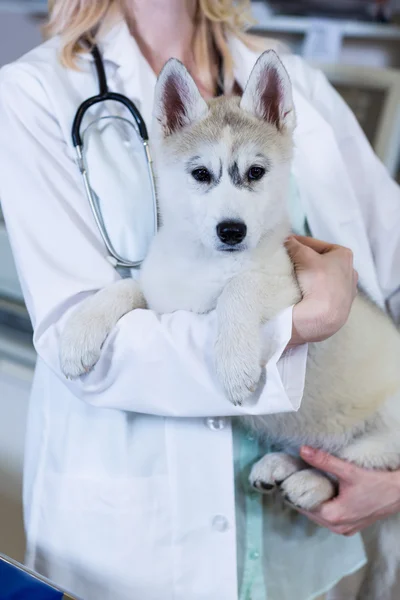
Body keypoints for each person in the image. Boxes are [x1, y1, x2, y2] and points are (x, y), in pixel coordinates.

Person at [0, 1, 399, 599]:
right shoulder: (33, 93)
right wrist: (300, 323)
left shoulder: (299, 86)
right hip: (143, 543)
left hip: (306, 543)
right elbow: (78, 345)